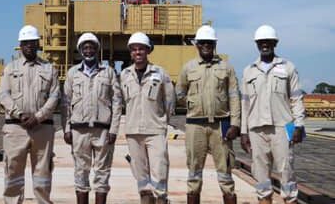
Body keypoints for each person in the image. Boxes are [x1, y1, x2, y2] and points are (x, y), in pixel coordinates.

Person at [176, 25, 241, 204]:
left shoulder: (226, 68)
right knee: (194, 175)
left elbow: (234, 97)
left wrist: (235, 124)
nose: (206, 45)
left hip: (221, 126)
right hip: (195, 126)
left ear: (214, 44)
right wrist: (192, 104)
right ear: (197, 44)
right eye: (202, 42)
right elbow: (179, 93)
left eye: (209, 43)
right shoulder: (188, 68)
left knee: (226, 175)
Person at [240, 25, 305, 204]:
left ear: (275, 43)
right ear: (257, 44)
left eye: (268, 42)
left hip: (284, 127)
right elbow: (245, 104)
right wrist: (244, 132)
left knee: (287, 172)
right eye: (261, 42)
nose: (265, 45)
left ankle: (290, 200)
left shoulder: (288, 68)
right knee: (261, 176)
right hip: (256, 129)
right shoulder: (249, 71)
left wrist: (298, 125)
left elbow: (296, 98)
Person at [0, 25, 60, 204]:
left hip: (42, 128)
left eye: (32, 43)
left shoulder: (49, 69)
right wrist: (20, 115)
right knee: (13, 171)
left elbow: (55, 96)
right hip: (15, 128)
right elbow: (4, 95)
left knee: (42, 173)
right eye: (25, 43)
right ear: (20, 45)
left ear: (37, 44)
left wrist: (38, 116)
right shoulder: (10, 68)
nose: (29, 46)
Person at [62, 32, 122, 204]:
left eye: (92, 47)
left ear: (97, 50)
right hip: (78, 130)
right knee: (81, 172)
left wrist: (114, 129)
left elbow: (117, 103)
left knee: (102, 173)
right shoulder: (73, 73)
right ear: (80, 50)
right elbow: (65, 103)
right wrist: (66, 129)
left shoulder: (108, 73)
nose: (89, 51)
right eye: (85, 48)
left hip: (102, 131)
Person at [120, 32, 175, 204]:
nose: (138, 53)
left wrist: (162, 122)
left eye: (141, 49)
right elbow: (122, 101)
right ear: (130, 53)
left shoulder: (161, 73)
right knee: (141, 178)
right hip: (133, 132)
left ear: (148, 51)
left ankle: (161, 200)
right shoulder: (124, 75)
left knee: (159, 173)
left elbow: (170, 101)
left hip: (155, 131)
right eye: (134, 50)